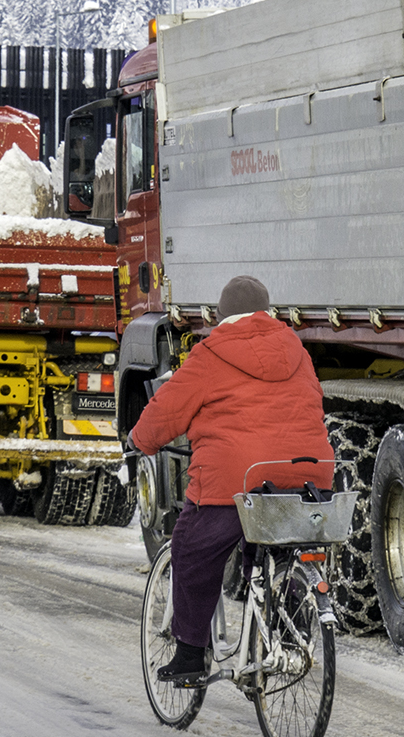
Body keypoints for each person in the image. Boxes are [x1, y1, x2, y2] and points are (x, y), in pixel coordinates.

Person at [129, 275, 334, 687]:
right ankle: (289, 632)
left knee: (192, 548)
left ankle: (189, 655)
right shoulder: (296, 349)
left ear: (222, 316)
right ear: (267, 312)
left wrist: (139, 440)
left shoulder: (211, 353)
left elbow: (166, 411)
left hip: (236, 481)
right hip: (308, 475)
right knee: (274, 544)